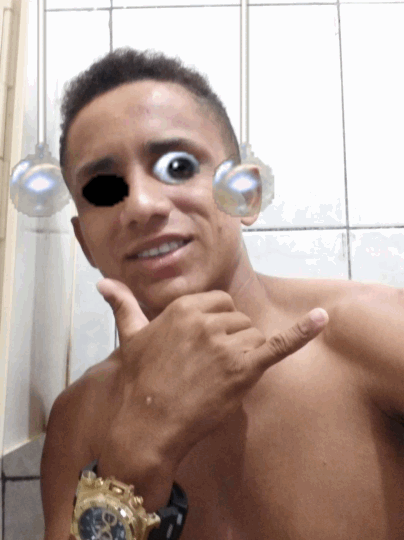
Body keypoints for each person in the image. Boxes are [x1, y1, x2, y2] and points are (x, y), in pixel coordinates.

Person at [40, 47, 404, 540]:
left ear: (246, 194)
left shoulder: (372, 330)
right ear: (85, 242)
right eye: (104, 189)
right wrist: (133, 458)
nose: (142, 205)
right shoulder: (78, 417)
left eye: (178, 166)